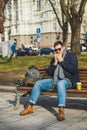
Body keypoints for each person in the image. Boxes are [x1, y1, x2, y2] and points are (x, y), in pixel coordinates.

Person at [20, 40, 80, 121]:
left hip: (67, 80)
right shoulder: (54, 58)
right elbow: (49, 72)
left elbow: (73, 70)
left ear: (63, 48)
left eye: (59, 49)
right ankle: (30, 106)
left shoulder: (71, 56)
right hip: (54, 80)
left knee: (61, 84)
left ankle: (61, 110)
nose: (57, 51)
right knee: (38, 83)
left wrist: (62, 61)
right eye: (55, 50)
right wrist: (55, 63)